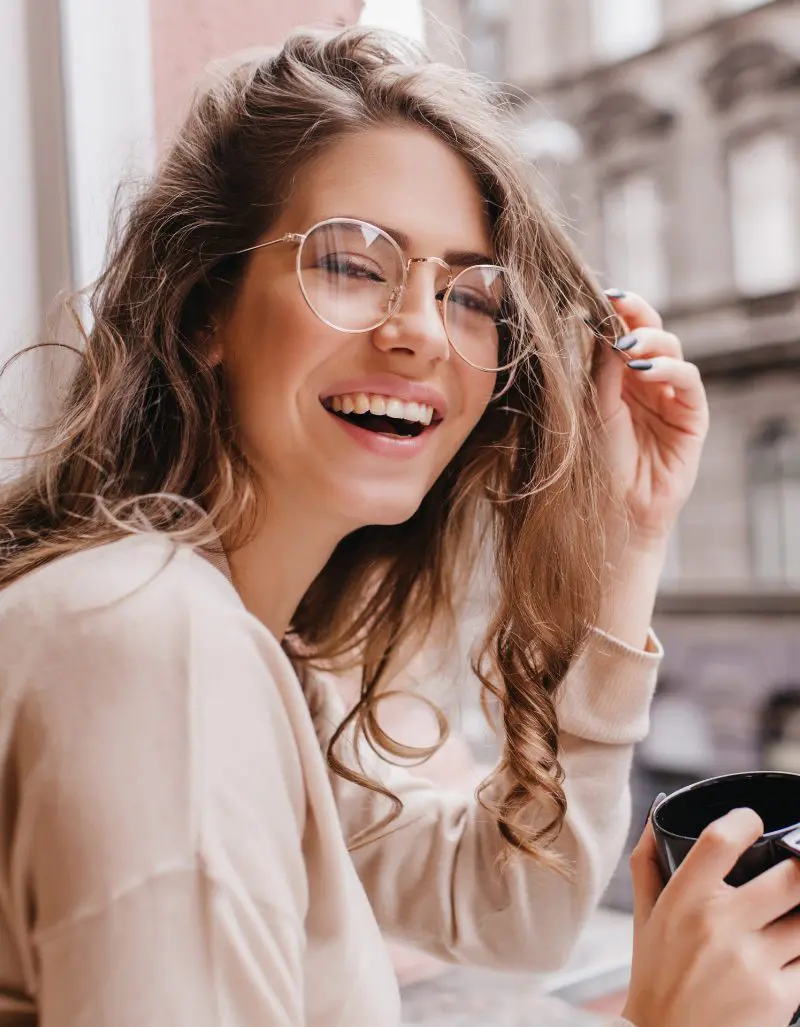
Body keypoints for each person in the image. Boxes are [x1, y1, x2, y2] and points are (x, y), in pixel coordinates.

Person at [0, 25, 797, 1027]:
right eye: (349, 263)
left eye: (467, 293)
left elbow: (518, 908)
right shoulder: (153, 644)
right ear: (206, 305)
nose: (419, 328)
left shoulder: (263, 655)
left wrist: (625, 529)